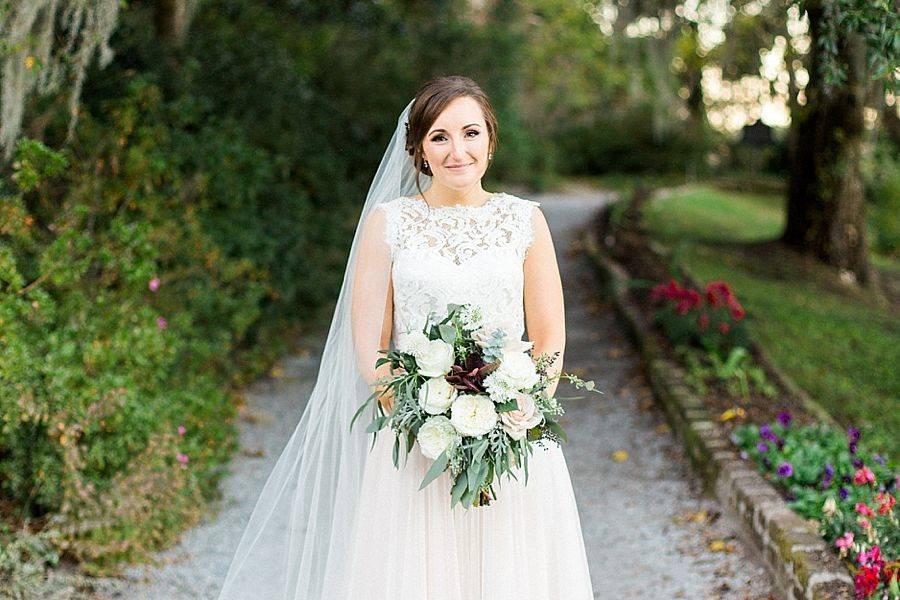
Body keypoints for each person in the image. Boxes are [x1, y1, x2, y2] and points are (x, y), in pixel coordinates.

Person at [216, 75, 593, 600]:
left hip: (512, 441)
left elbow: (550, 335)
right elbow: (372, 339)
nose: (457, 150)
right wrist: (421, 418)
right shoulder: (388, 223)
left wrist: (516, 415)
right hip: (415, 441)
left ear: (491, 138)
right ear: (418, 149)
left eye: (470, 133)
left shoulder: (525, 221)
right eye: (439, 137)